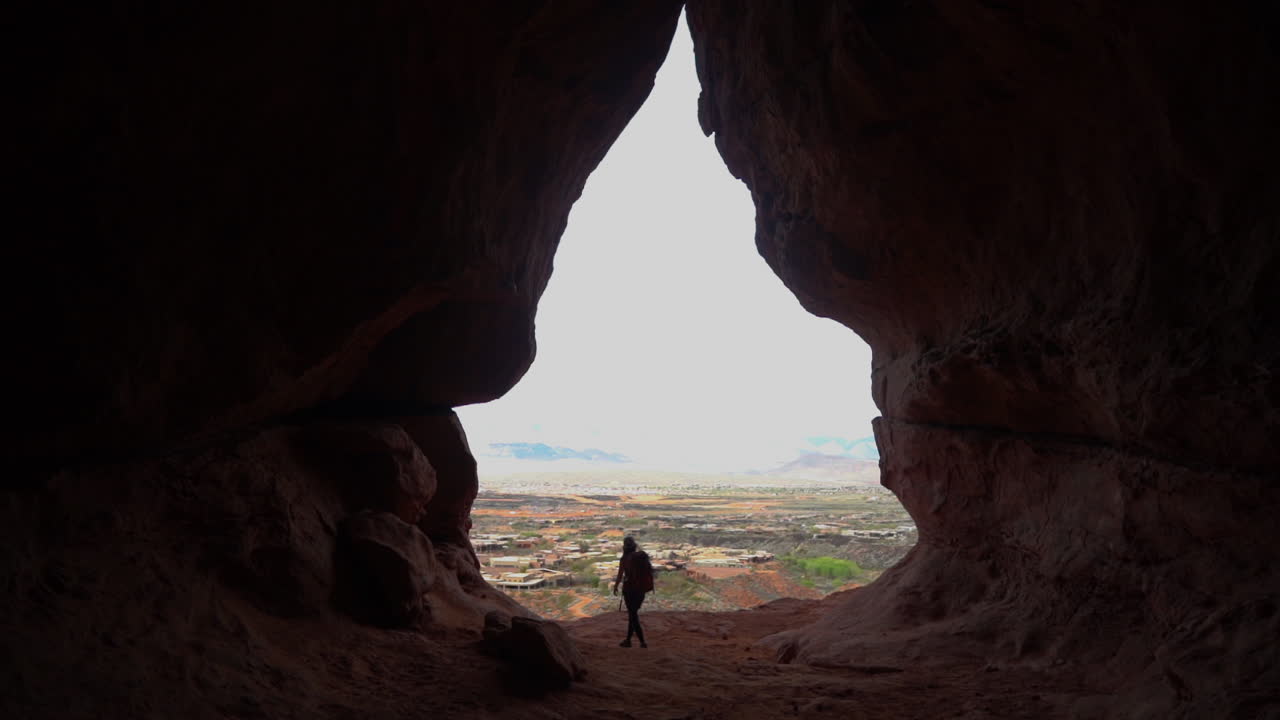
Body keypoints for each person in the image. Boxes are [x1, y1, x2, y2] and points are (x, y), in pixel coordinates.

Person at [612, 535, 653, 648]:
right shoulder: (640, 557)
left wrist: (616, 586)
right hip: (641, 590)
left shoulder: (624, 559)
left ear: (624, 546)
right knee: (632, 614)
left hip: (629, 589)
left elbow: (620, 574)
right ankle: (628, 640)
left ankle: (642, 641)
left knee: (633, 615)